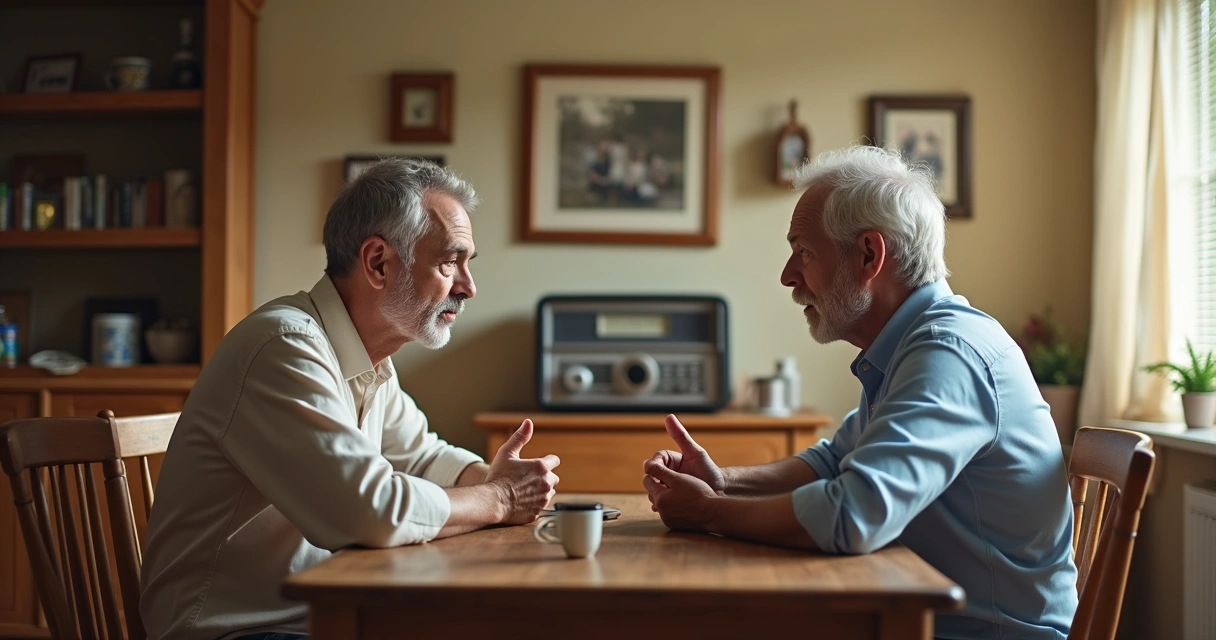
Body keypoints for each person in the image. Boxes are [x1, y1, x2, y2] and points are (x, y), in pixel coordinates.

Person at [642, 145, 1078, 639]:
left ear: (870, 254)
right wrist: (724, 481)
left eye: (804, 252)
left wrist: (709, 511)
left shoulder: (948, 353)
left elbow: (852, 516)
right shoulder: (911, 345)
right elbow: (833, 462)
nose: (788, 275)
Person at [141, 159, 560, 640]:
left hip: (317, 616)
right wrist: (500, 498)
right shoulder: (284, 348)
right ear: (378, 262)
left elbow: (422, 457)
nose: (468, 287)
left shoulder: (368, 357)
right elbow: (368, 514)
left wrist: (494, 479)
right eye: (450, 262)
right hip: (234, 630)